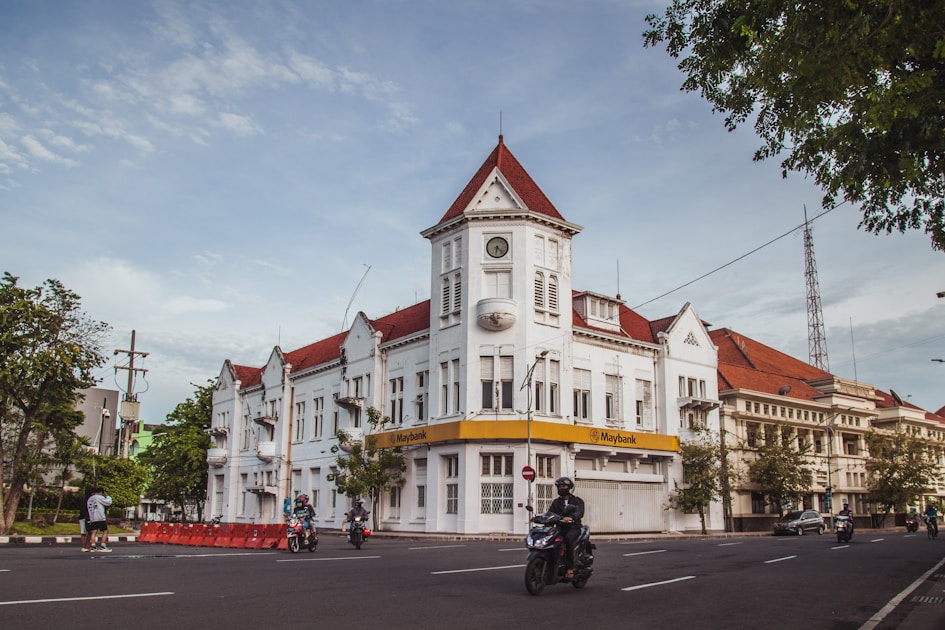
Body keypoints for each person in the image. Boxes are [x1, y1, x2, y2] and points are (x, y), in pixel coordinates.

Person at [547, 476, 585, 579]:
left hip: (573, 527)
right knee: (549, 538)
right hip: (560, 528)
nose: (562, 488)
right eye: (560, 486)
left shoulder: (577, 501)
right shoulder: (556, 502)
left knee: (568, 539)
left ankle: (570, 567)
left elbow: (579, 512)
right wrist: (541, 518)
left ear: (570, 488)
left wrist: (572, 517)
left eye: (564, 486)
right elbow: (550, 513)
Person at [86, 487, 113, 552]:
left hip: (93, 518)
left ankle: (93, 546)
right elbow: (108, 502)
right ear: (101, 492)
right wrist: (108, 497)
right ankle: (103, 546)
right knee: (105, 531)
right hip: (100, 517)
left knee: (94, 532)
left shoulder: (90, 499)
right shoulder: (99, 497)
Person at [79, 486, 93, 552]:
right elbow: (83, 510)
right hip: (84, 518)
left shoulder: (88, 500)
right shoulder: (86, 500)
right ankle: (84, 546)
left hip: (87, 517)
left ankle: (87, 545)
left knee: (89, 532)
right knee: (84, 532)